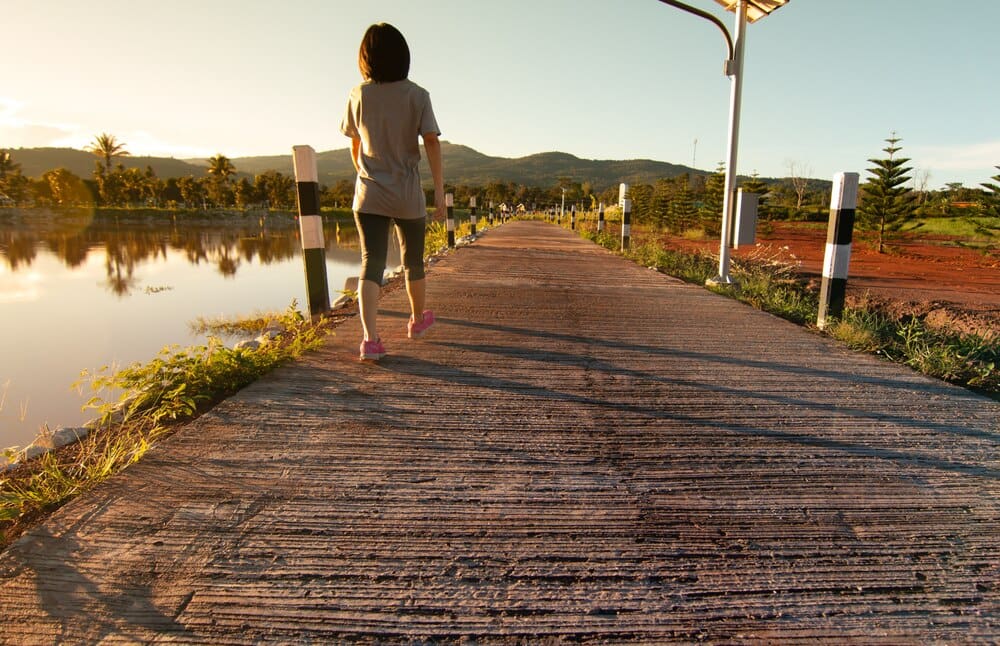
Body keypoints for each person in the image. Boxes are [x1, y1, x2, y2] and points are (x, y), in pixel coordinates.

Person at [340, 22, 445, 361]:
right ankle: (416, 322)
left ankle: (370, 340)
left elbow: (355, 144)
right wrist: (439, 192)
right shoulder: (418, 96)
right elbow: (430, 141)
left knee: (371, 263)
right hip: (407, 193)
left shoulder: (359, 94)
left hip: (369, 193)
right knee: (413, 261)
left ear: (365, 57)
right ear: (404, 56)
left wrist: (364, 172)